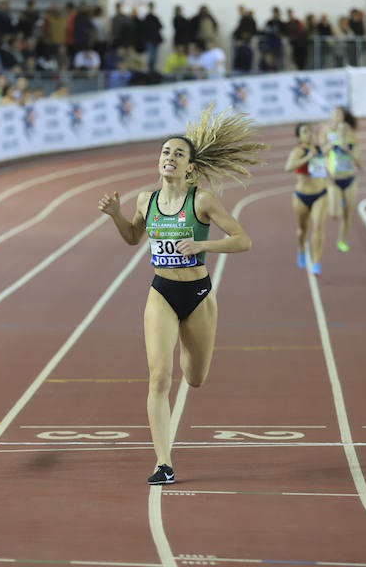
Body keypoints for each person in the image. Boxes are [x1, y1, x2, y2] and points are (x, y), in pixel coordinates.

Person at [97, 105, 266, 484]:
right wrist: (115, 216)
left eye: (177, 153)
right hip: (161, 292)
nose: (169, 158)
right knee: (159, 377)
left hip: (199, 294)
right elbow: (131, 239)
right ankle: (163, 463)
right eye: (164, 152)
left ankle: (193, 363)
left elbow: (243, 241)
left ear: (190, 166)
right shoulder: (146, 200)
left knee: (195, 377)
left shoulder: (202, 201)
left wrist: (202, 247)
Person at [285, 123, 330, 275]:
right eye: (305, 132)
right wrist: (307, 157)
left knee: (318, 225)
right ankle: (302, 249)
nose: (309, 134)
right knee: (301, 230)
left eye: (310, 131)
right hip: (302, 197)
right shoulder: (298, 152)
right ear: (299, 137)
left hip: (320, 194)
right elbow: (288, 167)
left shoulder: (319, 150)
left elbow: (330, 146)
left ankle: (316, 261)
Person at [325, 107, 362, 252]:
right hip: (335, 180)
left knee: (348, 214)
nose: (342, 134)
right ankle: (338, 201)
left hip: (349, 180)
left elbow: (360, 164)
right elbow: (325, 157)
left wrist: (350, 153)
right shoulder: (329, 137)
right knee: (334, 215)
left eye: (344, 132)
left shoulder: (351, 141)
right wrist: (328, 173)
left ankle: (341, 240)